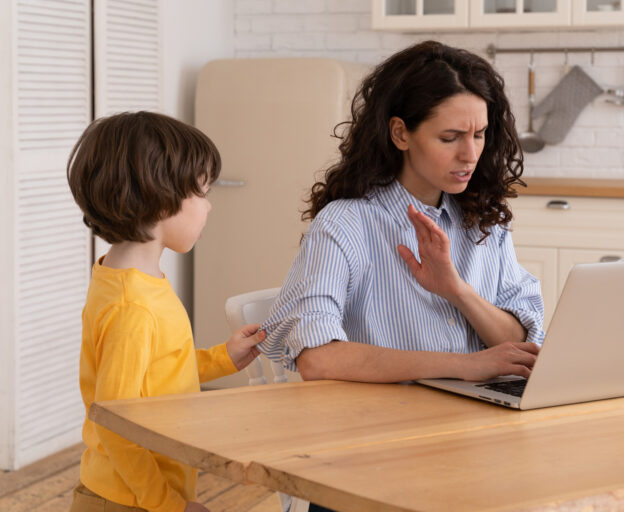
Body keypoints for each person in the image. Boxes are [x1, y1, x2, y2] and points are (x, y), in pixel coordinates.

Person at [258, 41, 544, 384]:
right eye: (450, 137)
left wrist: (457, 291)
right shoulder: (344, 224)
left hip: (472, 418)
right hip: (382, 424)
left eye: (479, 135)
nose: (470, 154)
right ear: (400, 134)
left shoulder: (483, 220)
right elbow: (317, 359)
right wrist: (462, 365)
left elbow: (521, 347)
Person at [66, 111, 265, 512]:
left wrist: (221, 358)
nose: (208, 207)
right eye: (202, 193)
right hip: (128, 499)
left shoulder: (129, 279)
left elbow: (156, 375)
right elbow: (115, 423)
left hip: (137, 492)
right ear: (159, 198)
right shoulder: (132, 308)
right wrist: (170, 505)